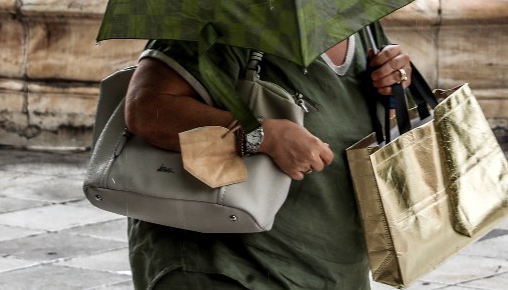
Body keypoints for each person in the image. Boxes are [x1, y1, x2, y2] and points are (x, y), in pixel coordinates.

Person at [123, 24, 415, 290]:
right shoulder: (221, 9)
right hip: (227, 266)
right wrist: (263, 136)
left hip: (329, 264)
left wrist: (396, 79)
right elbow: (146, 110)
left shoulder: (358, 19)